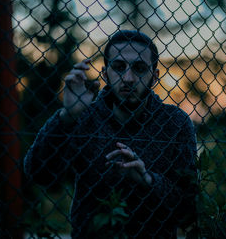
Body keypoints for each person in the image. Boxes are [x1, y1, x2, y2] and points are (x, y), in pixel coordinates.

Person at [24, 30, 198, 238]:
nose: (128, 78)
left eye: (140, 68)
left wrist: (147, 180)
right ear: (105, 74)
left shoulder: (174, 122)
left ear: (154, 76)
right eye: (119, 67)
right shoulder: (84, 117)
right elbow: (39, 173)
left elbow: (189, 207)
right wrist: (67, 116)